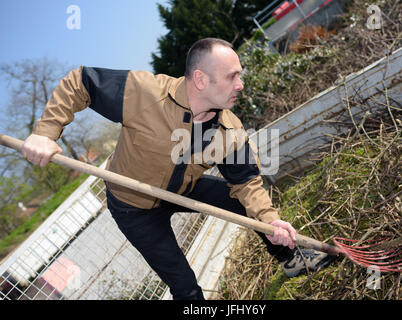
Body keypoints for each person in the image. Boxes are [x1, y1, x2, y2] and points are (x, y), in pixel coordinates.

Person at [21, 38, 334, 300]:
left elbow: (247, 183)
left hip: (184, 189)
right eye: (231, 76)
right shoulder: (144, 93)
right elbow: (81, 81)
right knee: (185, 287)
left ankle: (291, 259)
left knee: (243, 203)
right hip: (135, 208)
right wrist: (45, 133)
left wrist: (272, 222)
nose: (240, 84)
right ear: (200, 79)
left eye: (240, 75)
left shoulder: (229, 130)